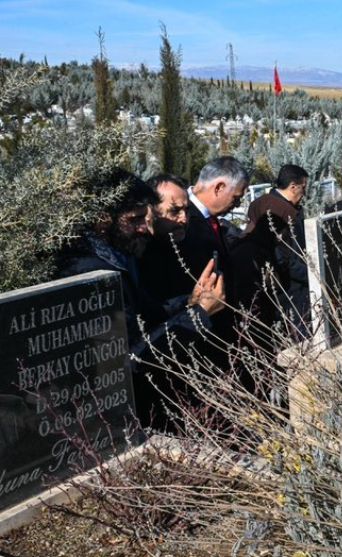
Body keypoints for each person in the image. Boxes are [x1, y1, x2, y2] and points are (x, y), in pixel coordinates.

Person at [57, 170, 225, 429]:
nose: (146, 229)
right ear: (103, 218)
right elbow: (128, 358)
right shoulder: (90, 273)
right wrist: (199, 313)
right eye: (135, 219)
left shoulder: (116, 256)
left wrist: (189, 301)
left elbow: (147, 313)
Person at [229, 164, 310, 351]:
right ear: (293, 186)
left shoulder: (261, 202)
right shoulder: (285, 212)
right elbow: (287, 255)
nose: (304, 193)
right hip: (289, 286)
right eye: (303, 187)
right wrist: (313, 275)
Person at [178, 157, 249, 295]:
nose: (238, 204)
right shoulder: (180, 221)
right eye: (236, 198)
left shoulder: (212, 218)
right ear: (219, 188)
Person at [138, 174, 190, 305]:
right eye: (175, 211)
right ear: (151, 211)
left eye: (186, 210)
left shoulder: (187, 248)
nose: (184, 218)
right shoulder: (136, 257)